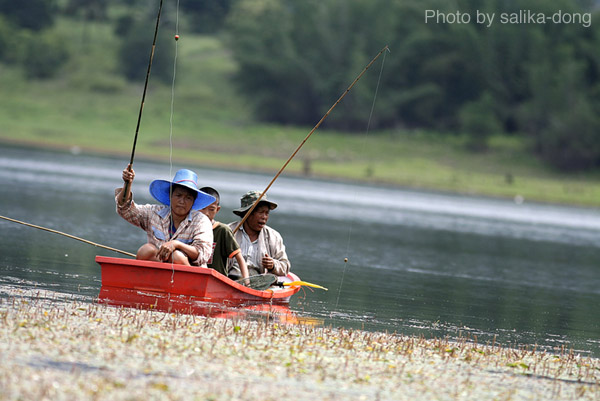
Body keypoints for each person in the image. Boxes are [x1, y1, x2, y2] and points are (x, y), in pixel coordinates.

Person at [116, 165, 215, 266]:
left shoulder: (201, 221)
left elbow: (203, 254)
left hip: (190, 274)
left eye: (188, 198)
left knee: (176, 256)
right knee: (146, 250)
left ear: (193, 201)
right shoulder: (154, 212)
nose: (182, 201)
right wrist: (127, 184)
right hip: (158, 269)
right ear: (170, 196)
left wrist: (176, 245)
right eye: (178, 195)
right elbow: (125, 209)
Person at [227, 190, 291, 277]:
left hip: (259, 283)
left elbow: (285, 267)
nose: (264, 217)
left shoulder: (273, 237)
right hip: (229, 280)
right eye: (260, 212)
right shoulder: (229, 231)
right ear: (247, 213)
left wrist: (273, 265)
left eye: (266, 213)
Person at [198, 186, 250, 281]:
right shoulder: (190, 227)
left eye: (211, 209)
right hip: (197, 279)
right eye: (202, 208)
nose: (206, 213)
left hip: (217, 282)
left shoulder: (222, 230)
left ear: (217, 210)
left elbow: (240, 258)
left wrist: (246, 281)